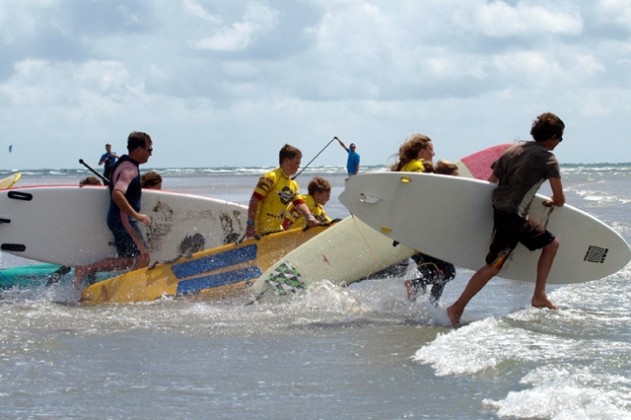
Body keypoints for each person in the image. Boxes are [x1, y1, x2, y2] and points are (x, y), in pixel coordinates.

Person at [447, 112, 566, 326]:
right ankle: (456, 308)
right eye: (560, 138)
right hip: (512, 219)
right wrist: (552, 202)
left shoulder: (511, 151)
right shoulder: (548, 159)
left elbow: (490, 183)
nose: (559, 142)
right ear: (552, 137)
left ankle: (539, 295)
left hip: (509, 214)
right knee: (494, 266)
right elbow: (559, 199)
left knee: (551, 244)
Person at [74, 132, 154, 289]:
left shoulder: (124, 164)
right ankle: (90, 271)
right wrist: (135, 214)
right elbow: (117, 193)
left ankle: (106, 282)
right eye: (149, 149)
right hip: (124, 219)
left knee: (129, 260)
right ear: (138, 149)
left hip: (117, 219)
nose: (150, 154)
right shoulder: (129, 169)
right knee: (143, 258)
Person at [403, 159, 459, 304]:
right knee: (447, 274)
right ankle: (416, 287)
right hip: (424, 242)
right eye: (455, 177)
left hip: (425, 242)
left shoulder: (440, 193)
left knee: (440, 275)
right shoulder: (437, 194)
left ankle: (428, 308)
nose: (458, 180)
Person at [245, 144, 318, 238]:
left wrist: (309, 216)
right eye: (297, 162)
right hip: (261, 232)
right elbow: (254, 200)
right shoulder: (270, 177)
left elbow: (300, 204)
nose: (299, 166)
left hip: (277, 230)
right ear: (287, 161)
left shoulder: (293, 184)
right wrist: (250, 224)